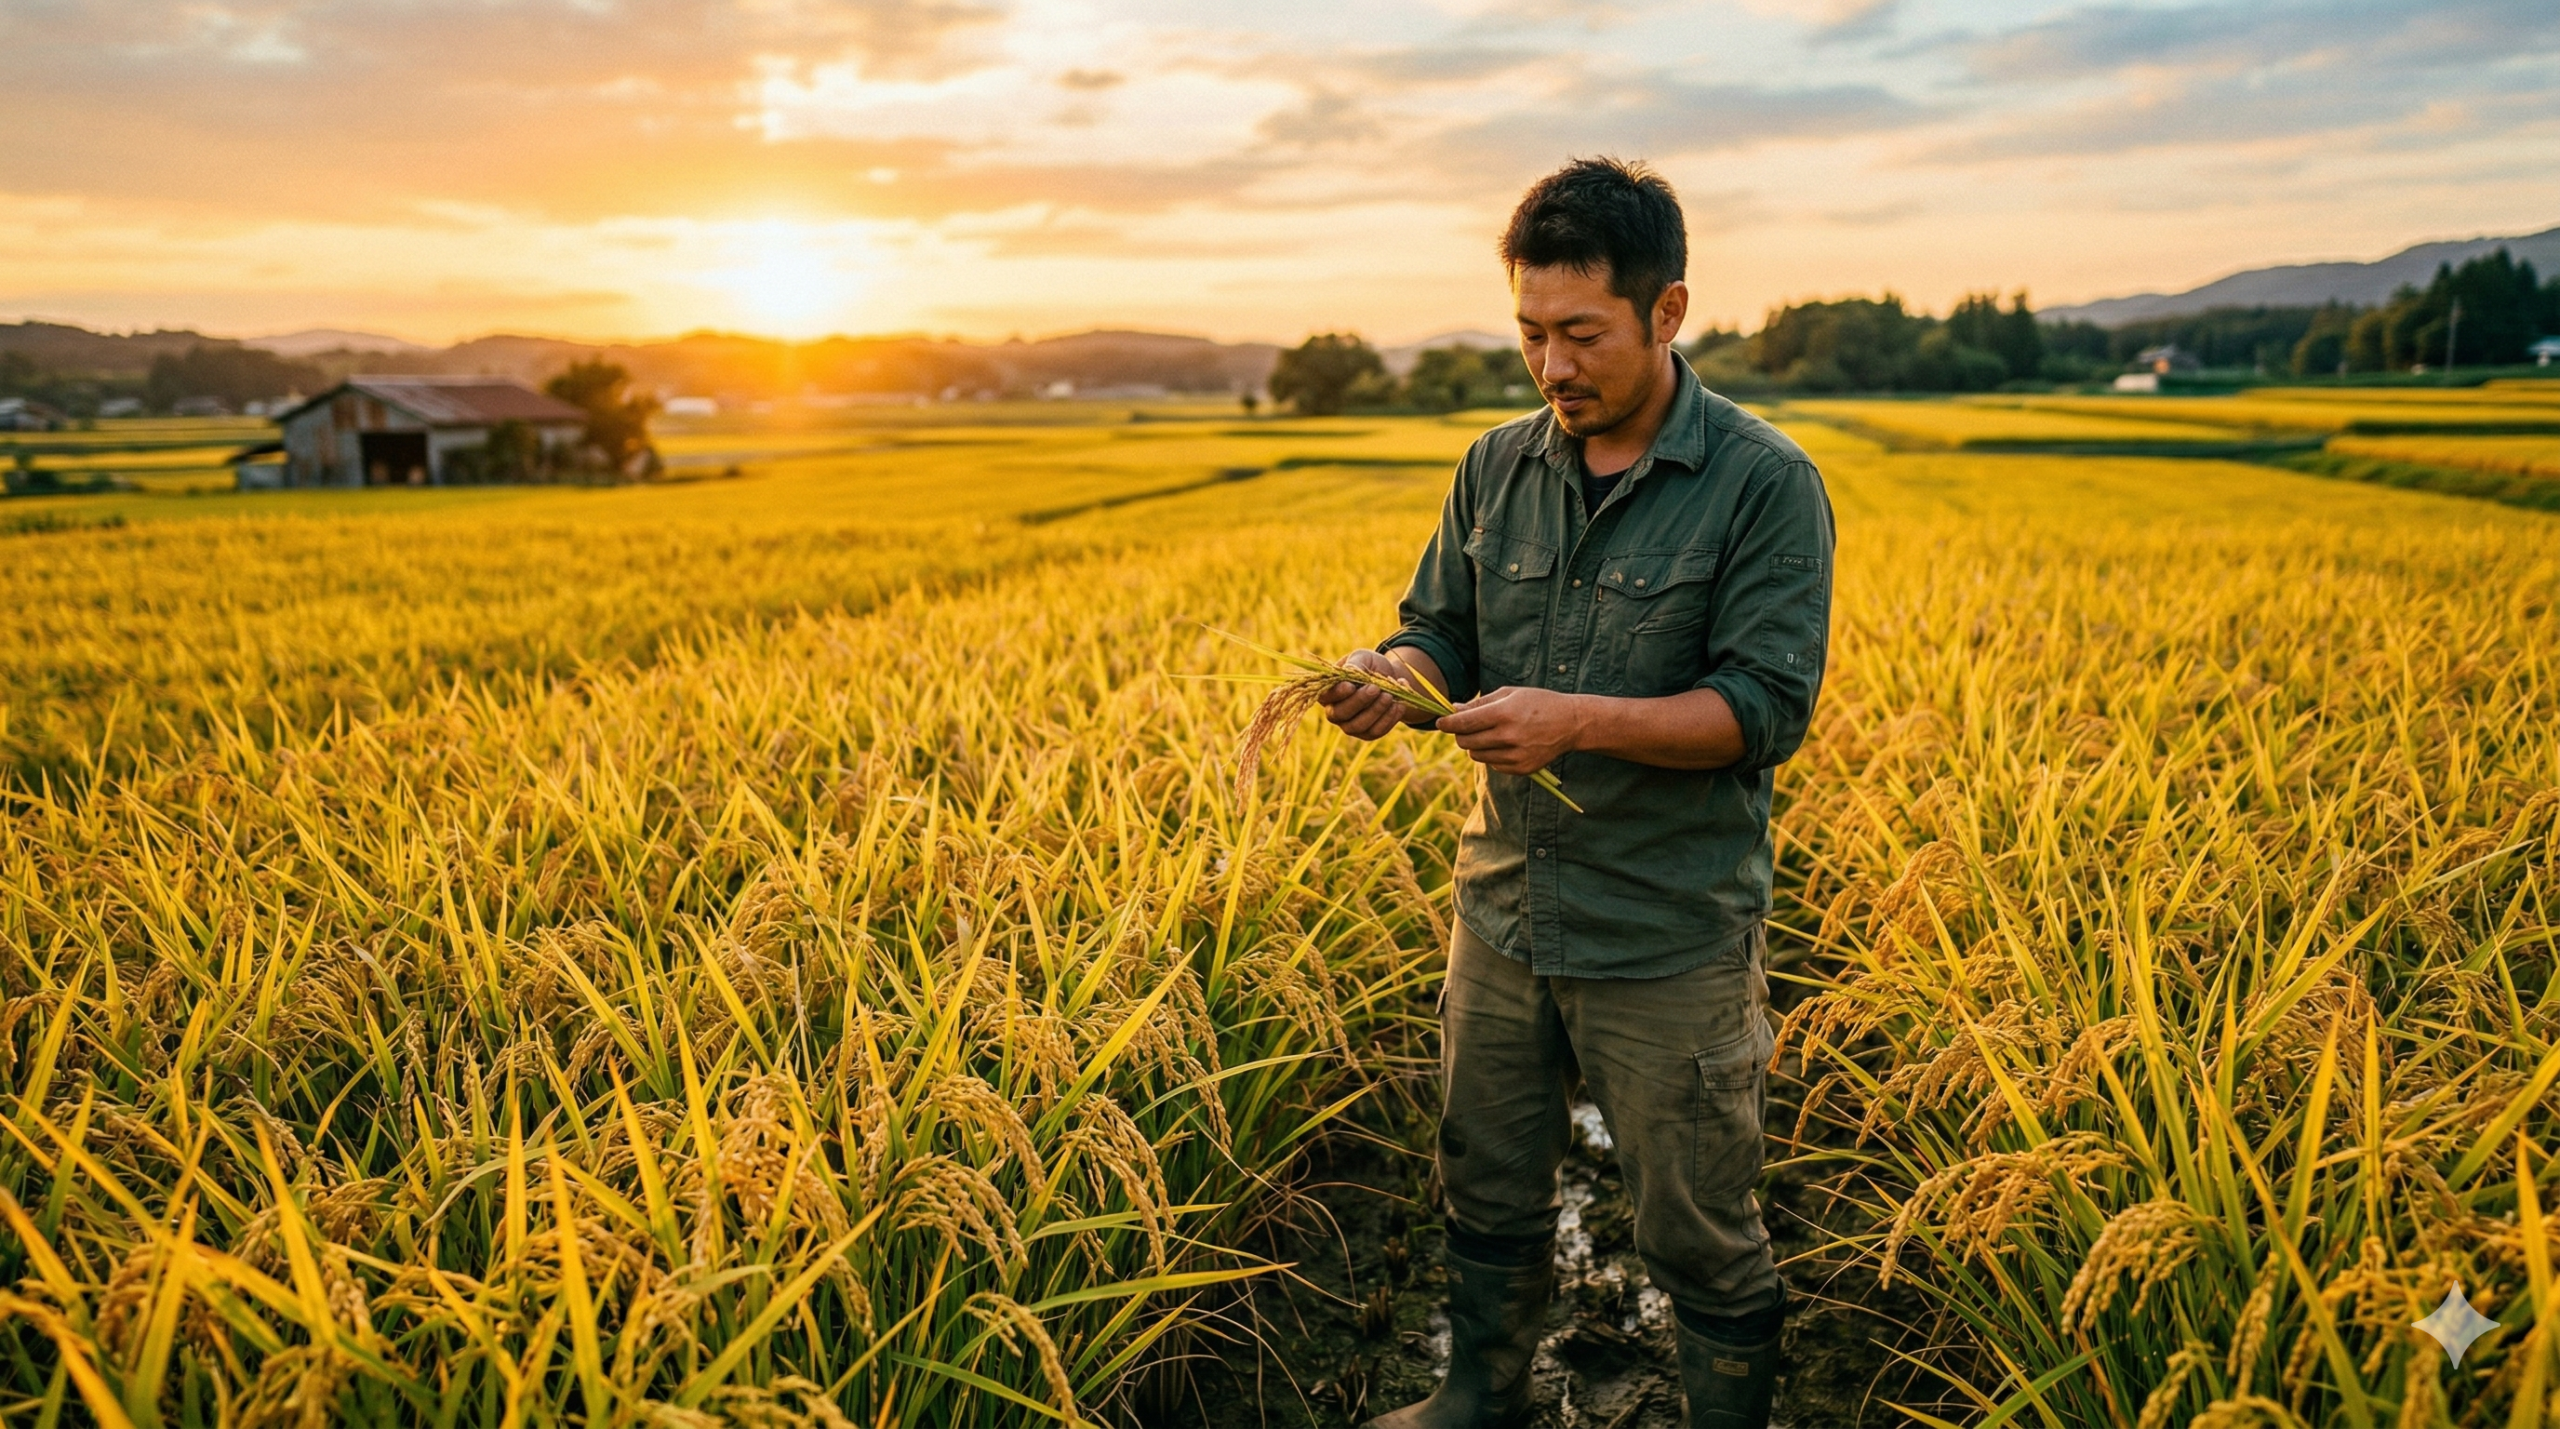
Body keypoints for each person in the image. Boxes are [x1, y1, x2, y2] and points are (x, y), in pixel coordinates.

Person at [1321, 158, 1834, 1429]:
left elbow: (1764, 709)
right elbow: (1436, 624)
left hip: (1666, 931)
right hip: (1502, 914)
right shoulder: (1497, 467)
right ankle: (1478, 1397)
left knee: (1697, 1222)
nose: (1552, 366)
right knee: (1484, 1184)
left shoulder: (1762, 484)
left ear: (1666, 313)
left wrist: (1575, 723)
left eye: (1581, 334)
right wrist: (1394, 674)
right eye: (1529, 334)